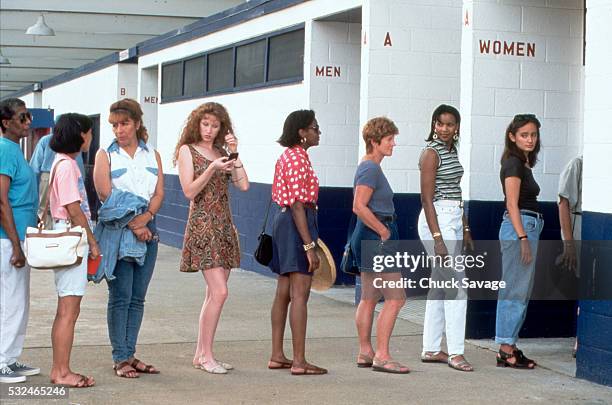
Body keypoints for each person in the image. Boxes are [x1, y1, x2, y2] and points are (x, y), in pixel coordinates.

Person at [175, 102, 249, 374]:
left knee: (212, 294)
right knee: (220, 292)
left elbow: (243, 184)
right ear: (197, 124)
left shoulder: (221, 152)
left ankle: (200, 354)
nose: (209, 130)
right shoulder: (188, 150)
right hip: (203, 225)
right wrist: (212, 168)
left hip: (224, 225)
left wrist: (235, 154)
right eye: (205, 124)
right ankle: (207, 356)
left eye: (214, 125)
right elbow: (189, 191)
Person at [93, 98, 164, 378]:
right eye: (114, 125)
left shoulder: (152, 155)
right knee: (120, 296)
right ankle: (120, 357)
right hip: (118, 230)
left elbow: (159, 193)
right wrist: (134, 225)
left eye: (124, 123)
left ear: (136, 123)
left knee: (138, 297)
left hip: (148, 227)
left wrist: (145, 220)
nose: (119, 130)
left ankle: (130, 353)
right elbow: (104, 196)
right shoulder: (106, 155)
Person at [268, 110, 327, 375]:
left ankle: (278, 355)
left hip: (287, 225)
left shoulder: (293, 157)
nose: (318, 132)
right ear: (302, 133)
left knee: (284, 291)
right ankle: (299, 361)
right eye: (314, 128)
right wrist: (309, 246)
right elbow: (298, 205)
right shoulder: (296, 158)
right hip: (296, 225)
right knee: (300, 294)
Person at [351, 117, 409, 374]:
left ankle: (366, 351)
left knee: (370, 297)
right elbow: (358, 206)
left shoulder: (369, 166)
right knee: (396, 298)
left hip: (370, 235)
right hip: (378, 236)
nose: (393, 144)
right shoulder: (370, 168)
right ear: (374, 141)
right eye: (389, 139)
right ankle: (383, 356)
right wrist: (384, 230)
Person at [417, 105, 474, 372]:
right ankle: (456, 353)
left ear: (457, 127)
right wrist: (438, 238)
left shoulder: (452, 151)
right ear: (433, 124)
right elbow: (426, 199)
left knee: (441, 287)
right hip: (436, 219)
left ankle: (430, 348)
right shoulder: (431, 153)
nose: (443, 129)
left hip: (452, 218)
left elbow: (456, 191)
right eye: (439, 123)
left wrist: (465, 228)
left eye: (449, 124)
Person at [48, 113, 100, 388]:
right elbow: (73, 208)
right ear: (80, 134)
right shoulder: (68, 166)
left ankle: (60, 368)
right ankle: (62, 372)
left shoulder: (63, 163)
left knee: (66, 308)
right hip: (71, 238)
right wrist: (91, 241)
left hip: (66, 235)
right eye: (89, 132)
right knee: (69, 309)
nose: (91, 138)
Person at [495, 114, 544, 369]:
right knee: (514, 290)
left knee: (520, 290)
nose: (530, 139)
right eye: (524, 135)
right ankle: (505, 348)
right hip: (520, 228)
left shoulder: (523, 163)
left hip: (526, 226)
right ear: (512, 136)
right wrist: (523, 237)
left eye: (533, 134)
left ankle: (509, 345)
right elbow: (511, 204)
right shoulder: (513, 164)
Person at [0, 98, 40, 383]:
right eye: (22, 117)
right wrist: (15, 244)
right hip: (7, 240)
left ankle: (10, 359)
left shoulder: (16, 151)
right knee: (11, 302)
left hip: (20, 236)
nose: (28, 122)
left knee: (18, 301)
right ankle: (3, 361)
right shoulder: (5, 151)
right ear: (6, 122)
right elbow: (1, 202)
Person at [30, 133, 85, 229]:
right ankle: (63, 233)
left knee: (45, 210)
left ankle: (46, 235)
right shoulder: (73, 140)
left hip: (47, 176)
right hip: (68, 176)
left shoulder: (45, 139)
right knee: (65, 212)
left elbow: (34, 166)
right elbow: (78, 165)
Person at [557, 155, 582, 357]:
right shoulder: (577, 164)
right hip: (581, 227)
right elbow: (563, 203)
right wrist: (568, 242)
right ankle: (580, 339)